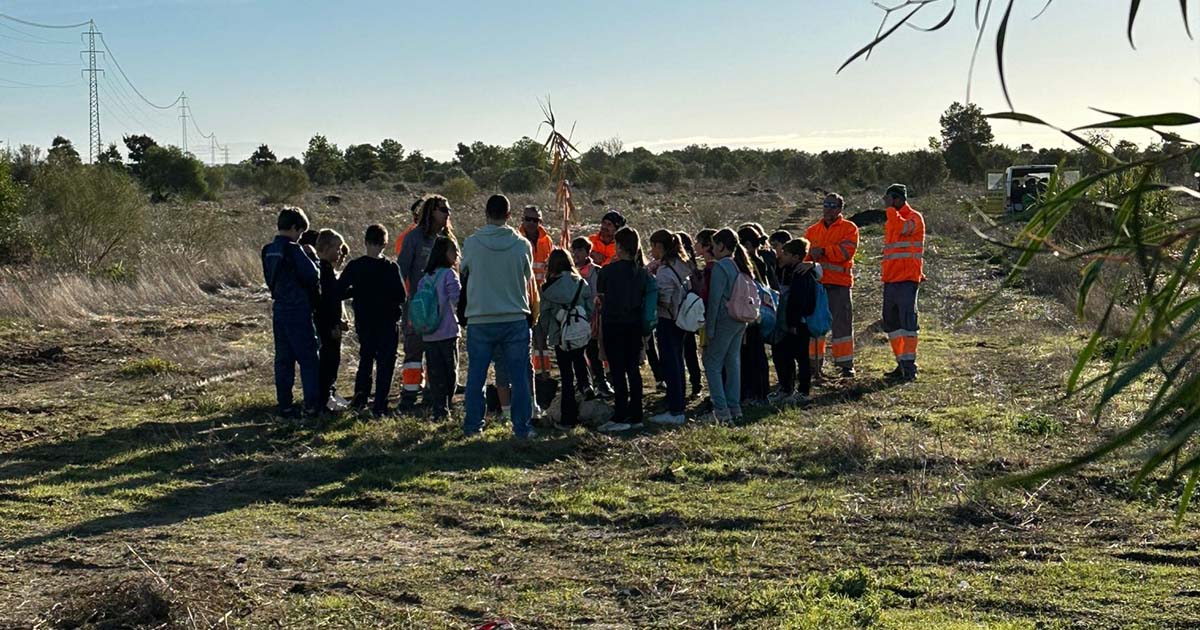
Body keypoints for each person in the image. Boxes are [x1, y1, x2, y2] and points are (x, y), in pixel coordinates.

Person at [461, 194, 536, 439]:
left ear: (486, 213)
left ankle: (473, 426)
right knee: (519, 378)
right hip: (514, 317)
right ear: (509, 215)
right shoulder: (522, 245)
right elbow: (527, 278)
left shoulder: (472, 243)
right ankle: (522, 428)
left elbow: (464, 273)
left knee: (476, 376)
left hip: (480, 318)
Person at [338, 224, 406, 416]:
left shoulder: (355, 266)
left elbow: (339, 290)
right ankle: (380, 403)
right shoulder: (391, 267)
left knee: (366, 358)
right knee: (386, 362)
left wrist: (357, 291)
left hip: (365, 320)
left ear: (365, 242)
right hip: (387, 321)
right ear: (385, 244)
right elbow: (402, 296)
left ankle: (360, 397)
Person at [261, 206, 322, 418]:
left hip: (279, 308)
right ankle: (312, 405)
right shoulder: (294, 249)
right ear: (296, 228)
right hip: (298, 309)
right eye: (301, 232)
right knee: (308, 358)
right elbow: (312, 276)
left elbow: (269, 280)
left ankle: (285, 405)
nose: (301, 237)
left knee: (283, 359)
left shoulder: (268, 250)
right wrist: (312, 257)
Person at [397, 195, 453, 409]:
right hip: (418, 306)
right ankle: (409, 397)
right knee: (413, 351)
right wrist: (406, 302)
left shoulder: (447, 239)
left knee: (437, 352)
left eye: (448, 210)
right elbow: (401, 271)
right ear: (431, 211)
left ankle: (433, 395)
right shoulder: (414, 238)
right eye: (443, 209)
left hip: (442, 309)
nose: (447, 213)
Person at [596, 226, 652, 432]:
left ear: (619, 246)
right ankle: (637, 414)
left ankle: (620, 414)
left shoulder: (607, 271)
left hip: (613, 325)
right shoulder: (642, 273)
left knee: (618, 372)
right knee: (633, 371)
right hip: (634, 325)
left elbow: (600, 300)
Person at [805, 193, 860, 379]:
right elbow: (804, 257)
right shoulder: (812, 230)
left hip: (839, 285)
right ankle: (813, 365)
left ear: (840, 209)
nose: (828, 208)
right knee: (815, 326)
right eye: (826, 204)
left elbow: (846, 253)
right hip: (817, 286)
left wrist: (823, 251)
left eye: (833, 205)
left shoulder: (849, 228)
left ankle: (845, 366)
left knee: (841, 326)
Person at [536, 249, 592, 429]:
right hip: (580, 333)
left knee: (566, 377)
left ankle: (568, 419)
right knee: (581, 360)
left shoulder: (547, 290)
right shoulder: (580, 283)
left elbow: (543, 317)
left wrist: (547, 334)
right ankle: (586, 386)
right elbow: (589, 308)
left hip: (561, 337)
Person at [703, 228, 753, 424]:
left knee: (712, 363)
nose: (712, 249)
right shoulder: (739, 264)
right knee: (732, 362)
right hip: (740, 320)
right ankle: (734, 407)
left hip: (724, 319)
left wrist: (710, 328)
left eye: (714, 245)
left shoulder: (721, 267)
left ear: (722, 245)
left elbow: (714, 300)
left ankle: (721, 410)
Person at [648, 229, 693, 426]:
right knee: (678, 362)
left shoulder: (665, 270)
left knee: (671, 363)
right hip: (682, 319)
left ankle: (675, 410)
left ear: (659, 246)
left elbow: (664, 299)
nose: (651, 251)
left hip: (669, 319)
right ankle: (679, 402)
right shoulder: (682, 264)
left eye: (653, 246)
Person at [882, 183, 925, 381]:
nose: (885, 204)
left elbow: (903, 229)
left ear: (897, 199)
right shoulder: (892, 219)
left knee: (908, 322)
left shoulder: (913, 217)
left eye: (888, 200)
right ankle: (900, 362)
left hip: (907, 280)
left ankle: (909, 366)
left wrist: (891, 210)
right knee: (891, 322)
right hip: (891, 279)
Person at [417, 236, 462, 419]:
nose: (457, 254)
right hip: (448, 332)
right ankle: (447, 405)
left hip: (429, 333)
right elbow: (457, 298)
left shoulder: (425, 277)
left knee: (435, 375)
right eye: (454, 251)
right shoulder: (449, 274)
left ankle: (439, 410)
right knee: (450, 373)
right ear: (445, 254)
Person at [777, 238, 820, 404]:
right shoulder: (796, 271)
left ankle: (803, 390)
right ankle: (791, 388)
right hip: (798, 322)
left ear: (795, 257)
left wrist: (793, 323)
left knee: (801, 357)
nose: (783, 256)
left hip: (799, 323)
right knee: (794, 355)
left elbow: (798, 301)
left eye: (786, 254)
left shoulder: (800, 274)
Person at [736, 225, 773, 405]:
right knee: (758, 354)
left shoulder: (747, 262)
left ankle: (751, 393)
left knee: (749, 355)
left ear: (747, 244)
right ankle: (761, 392)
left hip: (748, 312)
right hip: (758, 312)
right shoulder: (761, 260)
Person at [314, 229, 349, 412]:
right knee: (329, 360)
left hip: (331, 323)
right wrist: (334, 324)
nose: (339, 252)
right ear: (326, 248)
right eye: (337, 248)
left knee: (333, 360)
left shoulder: (327, 270)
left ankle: (331, 392)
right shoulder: (323, 272)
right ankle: (325, 398)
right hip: (327, 325)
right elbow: (329, 300)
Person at [521, 205, 556, 378]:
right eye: (528, 219)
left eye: (535, 220)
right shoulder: (516, 239)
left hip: (543, 295)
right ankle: (531, 373)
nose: (531, 223)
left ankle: (544, 372)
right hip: (522, 295)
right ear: (522, 219)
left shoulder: (546, 240)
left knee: (542, 336)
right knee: (527, 337)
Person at [572, 237, 606, 399]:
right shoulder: (571, 272)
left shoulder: (596, 271)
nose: (576, 253)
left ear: (587, 252)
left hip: (592, 320)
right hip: (576, 320)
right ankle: (585, 385)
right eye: (575, 250)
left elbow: (598, 294)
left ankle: (601, 382)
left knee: (594, 352)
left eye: (580, 250)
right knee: (578, 354)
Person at [678, 232, 704, 399]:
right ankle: (696, 383)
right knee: (690, 350)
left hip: (684, 310)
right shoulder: (693, 264)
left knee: (685, 350)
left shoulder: (681, 265)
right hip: (694, 309)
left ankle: (692, 383)